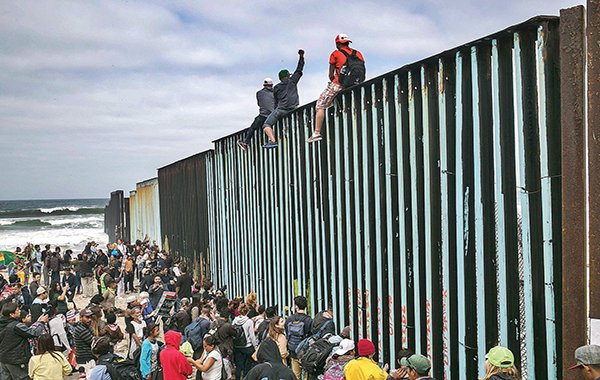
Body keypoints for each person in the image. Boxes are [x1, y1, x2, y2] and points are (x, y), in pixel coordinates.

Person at [307, 33, 365, 143]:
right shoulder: (358, 53)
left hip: (339, 84)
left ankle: (316, 132)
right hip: (357, 83)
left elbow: (330, 74)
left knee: (320, 104)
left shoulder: (335, 54)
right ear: (348, 43)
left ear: (337, 44)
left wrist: (335, 79)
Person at [262, 49, 305, 149]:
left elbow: (276, 102)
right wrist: (301, 57)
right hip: (294, 109)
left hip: (281, 110)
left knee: (266, 124)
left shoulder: (276, 87)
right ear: (287, 76)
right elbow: (299, 69)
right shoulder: (293, 81)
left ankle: (272, 141)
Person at [0, 302, 48, 380]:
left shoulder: (2, 323)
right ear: (11, 314)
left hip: (3, 359)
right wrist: (41, 322)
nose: (19, 311)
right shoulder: (16, 326)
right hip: (16, 360)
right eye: (17, 310)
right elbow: (33, 333)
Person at [238, 78, 275, 150]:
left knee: (253, 127)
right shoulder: (275, 93)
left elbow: (259, 103)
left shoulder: (259, 93)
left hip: (263, 115)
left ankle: (246, 143)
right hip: (274, 114)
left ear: (264, 85)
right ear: (271, 85)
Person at [286, 295, 313, 380]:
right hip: (305, 352)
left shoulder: (290, 319)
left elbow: (287, 333)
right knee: (306, 376)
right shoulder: (309, 320)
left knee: (296, 375)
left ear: (296, 306)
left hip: (293, 351)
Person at [232, 303, 258, 379]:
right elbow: (252, 336)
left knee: (238, 366)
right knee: (247, 366)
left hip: (237, 346)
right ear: (248, 311)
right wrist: (255, 347)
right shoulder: (249, 321)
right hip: (247, 346)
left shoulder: (235, 320)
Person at [73, 308, 96, 376]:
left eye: (90, 317)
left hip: (89, 357)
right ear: (81, 317)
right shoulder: (80, 329)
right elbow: (93, 341)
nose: (90, 319)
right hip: (84, 359)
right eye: (87, 317)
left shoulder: (87, 327)